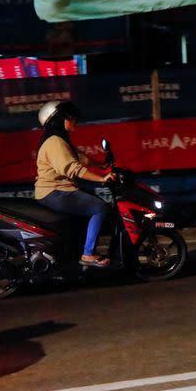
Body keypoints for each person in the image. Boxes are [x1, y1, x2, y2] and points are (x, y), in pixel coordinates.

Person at [34, 100, 116, 267]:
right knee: (100, 208)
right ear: (57, 120)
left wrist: (102, 166)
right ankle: (88, 254)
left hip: (59, 190)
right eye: (69, 118)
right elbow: (73, 168)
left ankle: (76, 251)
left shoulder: (60, 140)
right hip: (55, 192)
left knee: (89, 205)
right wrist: (102, 178)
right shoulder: (54, 142)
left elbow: (80, 158)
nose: (74, 121)